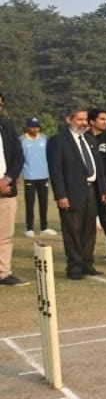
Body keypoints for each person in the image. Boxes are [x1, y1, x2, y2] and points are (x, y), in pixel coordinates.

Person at [47, 107, 106, 279]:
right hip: (71, 192)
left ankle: (87, 263)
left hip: (92, 190)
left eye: (85, 120)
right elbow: (56, 170)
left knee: (89, 229)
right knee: (73, 230)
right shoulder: (58, 141)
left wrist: (103, 188)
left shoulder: (89, 140)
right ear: (69, 120)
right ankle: (74, 267)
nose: (83, 123)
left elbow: (99, 167)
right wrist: (60, 195)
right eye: (79, 119)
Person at [0, 95, 30, 287]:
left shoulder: (6, 125)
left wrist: (8, 178)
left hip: (5, 189)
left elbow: (18, 156)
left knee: (4, 235)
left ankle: (3, 272)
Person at [87, 108, 106, 260]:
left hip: (105, 185)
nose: (105, 122)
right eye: (102, 119)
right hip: (89, 185)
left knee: (105, 217)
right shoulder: (84, 138)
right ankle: (86, 253)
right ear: (92, 121)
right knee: (88, 219)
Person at [20, 117, 56, 238]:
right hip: (29, 176)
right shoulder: (22, 140)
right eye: (32, 126)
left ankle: (44, 227)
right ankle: (29, 228)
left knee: (44, 202)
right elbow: (18, 158)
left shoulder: (45, 139)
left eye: (37, 126)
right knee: (30, 203)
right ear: (27, 127)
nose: (35, 128)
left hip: (43, 175)